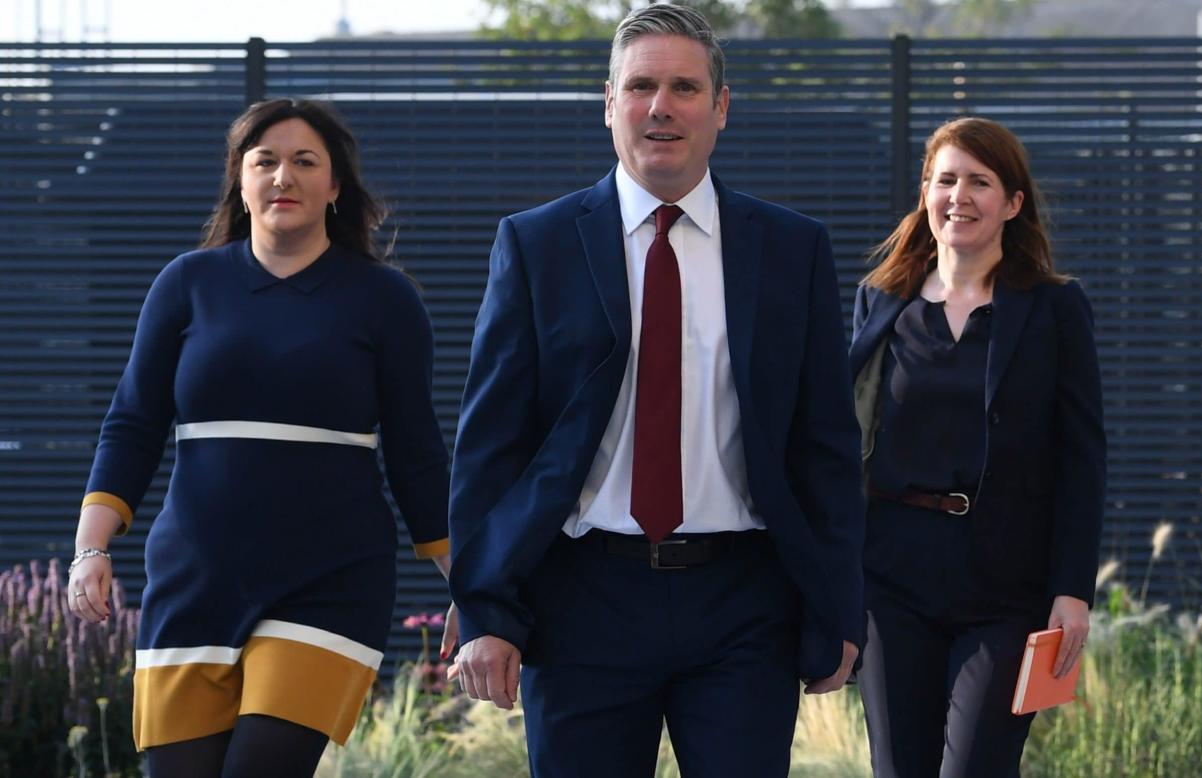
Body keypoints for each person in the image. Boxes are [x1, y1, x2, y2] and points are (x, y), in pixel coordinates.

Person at [446, 5, 865, 778]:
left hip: (745, 603)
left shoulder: (791, 249)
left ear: (721, 107)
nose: (661, 107)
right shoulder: (536, 246)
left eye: (684, 87)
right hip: (582, 604)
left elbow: (825, 446)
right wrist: (484, 608)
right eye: (640, 86)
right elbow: (491, 448)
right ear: (609, 104)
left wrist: (838, 605)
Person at [66, 98, 456, 778]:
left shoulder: (385, 301)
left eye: (306, 162)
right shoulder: (185, 285)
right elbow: (131, 422)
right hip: (194, 581)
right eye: (265, 161)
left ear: (335, 186)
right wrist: (90, 547)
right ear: (240, 182)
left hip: (330, 583)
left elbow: (418, 454)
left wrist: (472, 583)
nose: (284, 176)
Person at [850, 116, 1106, 777]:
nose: (959, 196)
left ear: (1013, 203)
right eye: (946, 179)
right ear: (925, 193)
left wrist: (1073, 590)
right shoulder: (881, 302)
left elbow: (1082, 456)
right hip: (892, 580)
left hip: (1006, 585)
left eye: (980, 181)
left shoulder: (1055, 308)